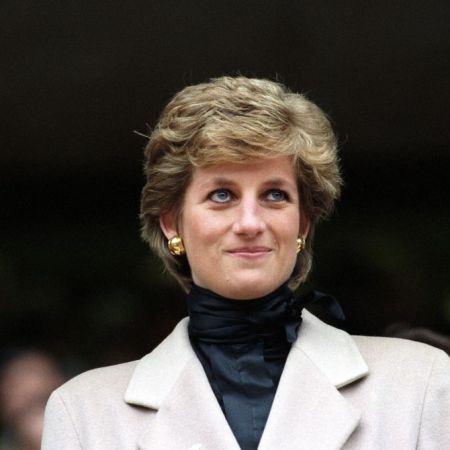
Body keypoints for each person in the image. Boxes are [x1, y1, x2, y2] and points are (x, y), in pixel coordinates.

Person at [42, 76, 450, 449]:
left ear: (302, 223)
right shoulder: (84, 412)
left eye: (275, 194)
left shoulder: (422, 383)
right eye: (222, 195)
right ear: (171, 224)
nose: (250, 223)